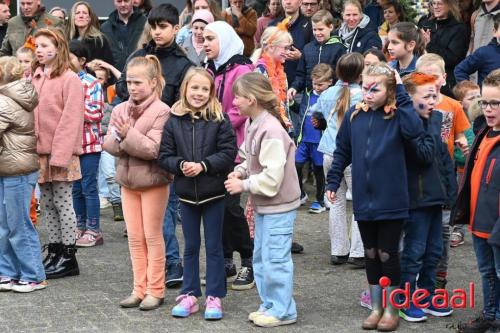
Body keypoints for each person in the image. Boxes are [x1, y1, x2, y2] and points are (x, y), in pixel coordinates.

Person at [326, 63, 431, 331]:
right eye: (365, 87)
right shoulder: (354, 115)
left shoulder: (398, 114)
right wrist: (333, 179)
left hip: (392, 199)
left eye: (376, 88)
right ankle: (376, 307)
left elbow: (415, 131)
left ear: (390, 90)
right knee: (371, 253)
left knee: (387, 253)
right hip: (363, 199)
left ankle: (392, 310)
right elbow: (342, 150)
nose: (368, 93)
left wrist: (402, 95)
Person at [159, 67, 237, 320]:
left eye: (205, 89)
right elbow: (165, 155)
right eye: (195, 88)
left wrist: (204, 166)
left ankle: (215, 295)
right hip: (186, 195)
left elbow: (228, 153)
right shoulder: (173, 120)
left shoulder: (220, 119)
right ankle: (190, 293)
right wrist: (181, 165)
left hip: (213, 193)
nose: (199, 93)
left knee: (214, 246)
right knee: (191, 246)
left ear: (212, 92)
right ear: (185, 89)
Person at [226, 72, 300, 328]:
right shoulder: (253, 123)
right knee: (261, 256)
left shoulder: (270, 129)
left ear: (252, 99)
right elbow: (250, 156)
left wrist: (243, 184)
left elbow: (272, 178)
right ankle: (270, 304)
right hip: (264, 206)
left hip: (279, 206)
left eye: (238, 97)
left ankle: (283, 310)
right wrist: (242, 169)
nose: (234, 101)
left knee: (276, 258)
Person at [103, 55, 171, 311]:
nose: (132, 87)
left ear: (153, 83)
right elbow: (108, 144)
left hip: (153, 182)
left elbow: (153, 149)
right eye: (129, 82)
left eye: (138, 82)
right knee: (134, 237)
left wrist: (126, 135)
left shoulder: (162, 111)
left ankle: (156, 290)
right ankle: (138, 288)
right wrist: (124, 140)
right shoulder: (120, 109)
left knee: (152, 236)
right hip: (128, 181)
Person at [399, 72, 457, 322]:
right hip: (416, 200)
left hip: (435, 198)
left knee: (434, 250)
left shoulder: (433, 120)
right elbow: (424, 155)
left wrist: (450, 193)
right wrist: (433, 125)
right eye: (427, 96)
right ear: (410, 99)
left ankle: (428, 294)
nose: (434, 101)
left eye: (436, 95)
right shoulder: (408, 126)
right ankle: (406, 297)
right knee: (415, 251)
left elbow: (443, 159)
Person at [203, 21, 256, 288]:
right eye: (202, 38)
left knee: (230, 208)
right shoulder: (208, 68)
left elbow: (239, 109)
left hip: (234, 150)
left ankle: (248, 260)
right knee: (216, 207)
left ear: (224, 39)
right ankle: (226, 261)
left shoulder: (242, 68)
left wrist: (214, 123)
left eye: (211, 38)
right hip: (211, 148)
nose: (205, 43)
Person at [32, 28, 85, 280]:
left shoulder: (70, 79)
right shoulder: (37, 76)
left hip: (60, 153)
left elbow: (71, 119)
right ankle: (54, 250)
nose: (39, 50)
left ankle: (68, 255)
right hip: (41, 153)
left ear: (58, 47)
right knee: (48, 204)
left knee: (64, 203)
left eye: (44, 45)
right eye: (37, 46)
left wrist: (60, 155)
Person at [416, 53, 471, 289]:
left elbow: (461, 133)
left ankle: (439, 278)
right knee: (417, 231)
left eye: (434, 76)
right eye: (424, 76)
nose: (430, 81)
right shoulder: (412, 104)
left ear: (444, 78)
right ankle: (416, 277)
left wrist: (461, 142)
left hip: (443, 176)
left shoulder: (453, 105)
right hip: (418, 176)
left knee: (442, 231)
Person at [453, 69, 500, 333]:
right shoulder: (483, 131)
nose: (488, 108)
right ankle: (490, 316)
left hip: (497, 226)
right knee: (487, 273)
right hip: (480, 221)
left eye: (496, 103)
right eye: (484, 102)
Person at [312, 52, 364, 266]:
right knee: (360, 203)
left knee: (336, 201)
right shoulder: (362, 95)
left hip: (329, 153)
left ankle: (338, 250)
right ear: (361, 74)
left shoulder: (328, 93)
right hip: (353, 154)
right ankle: (358, 252)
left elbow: (315, 113)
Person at [0, 56, 46, 293]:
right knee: (6, 224)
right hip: (12, 167)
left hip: (15, 169)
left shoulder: (5, 100)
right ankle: (8, 272)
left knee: (17, 224)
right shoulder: (16, 95)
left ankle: (33, 275)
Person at [116, 4, 193, 108]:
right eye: (153, 27)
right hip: (132, 115)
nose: (157, 32)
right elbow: (121, 86)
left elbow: (180, 103)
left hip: (166, 120)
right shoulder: (137, 55)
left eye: (162, 26)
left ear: (176, 29)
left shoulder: (184, 65)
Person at [68, 40, 105, 248]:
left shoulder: (91, 83)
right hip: (70, 146)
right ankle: (79, 226)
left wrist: (73, 108)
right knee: (74, 188)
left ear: (82, 61)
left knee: (88, 187)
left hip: (89, 145)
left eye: (71, 57)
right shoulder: (63, 80)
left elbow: (96, 113)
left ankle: (94, 230)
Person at [295, 64, 332, 213]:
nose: (316, 87)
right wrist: (292, 104)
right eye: (314, 83)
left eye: (320, 84)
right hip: (304, 140)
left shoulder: (331, 96)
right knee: (295, 166)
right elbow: (302, 111)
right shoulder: (308, 94)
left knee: (319, 171)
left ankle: (320, 200)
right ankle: (301, 194)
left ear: (330, 81)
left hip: (320, 141)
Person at [287, 10, 346, 105]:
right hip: (309, 97)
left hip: (332, 99)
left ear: (330, 27)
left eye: (321, 29)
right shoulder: (307, 48)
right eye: (315, 29)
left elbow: (342, 77)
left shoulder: (339, 48)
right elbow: (301, 74)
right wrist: (295, 87)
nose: (317, 33)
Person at [450, 80, 480, 248]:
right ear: (461, 103)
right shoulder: (459, 120)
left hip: (481, 168)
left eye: (479, 96)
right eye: (472, 97)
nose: (477, 100)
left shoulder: (484, 118)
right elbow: (457, 150)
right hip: (463, 168)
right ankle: (458, 229)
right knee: (461, 198)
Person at [418, 0, 468, 97]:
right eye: (434, 3)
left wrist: (429, 44)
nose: (436, 7)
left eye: (440, 3)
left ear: (450, 5)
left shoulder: (458, 28)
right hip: (423, 76)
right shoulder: (425, 22)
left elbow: (452, 58)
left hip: (446, 82)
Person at [254, 24, 294, 130]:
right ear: (271, 47)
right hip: (268, 129)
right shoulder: (260, 71)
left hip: (281, 126)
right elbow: (261, 104)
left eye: (289, 48)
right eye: (285, 48)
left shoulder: (279, 70)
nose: (288, 52)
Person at [455, 12, 500, 88]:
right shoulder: (484, 53)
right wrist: (470, 91)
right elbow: (460, 70)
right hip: (488, 98)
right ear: (494, 32)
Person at [101, 0, 147, 71]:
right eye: (119, 1)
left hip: (141, 74)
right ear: (114, 2)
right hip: (115, 78)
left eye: (126, 1)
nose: (122, 4)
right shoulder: (105, 28)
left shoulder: (145, 23)